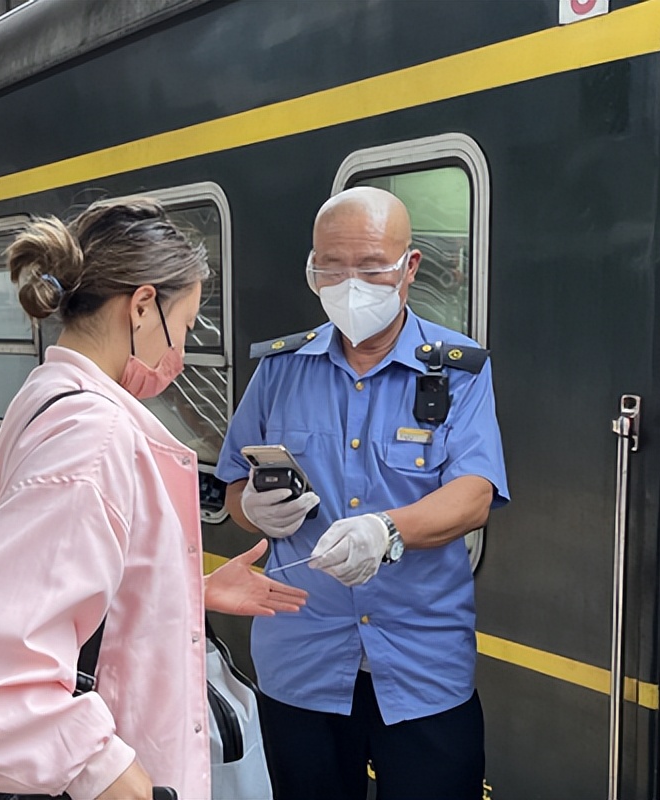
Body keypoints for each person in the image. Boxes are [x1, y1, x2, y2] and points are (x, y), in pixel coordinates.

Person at [0, 198, 308, 800]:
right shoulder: (93, 435)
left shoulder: (47, 396)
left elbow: (69, 578)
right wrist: (105, 772)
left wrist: (190, 593)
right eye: (183, 326)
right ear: (141, 307)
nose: (181, 357)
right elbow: (0, 649)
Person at [217, 187, 509, 800]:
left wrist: (387, 530)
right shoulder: (279, 370)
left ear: (410, 268)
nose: (352, 283)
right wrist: (253, 508)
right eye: (332, 266)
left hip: (423, 666)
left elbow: (474, 492)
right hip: (301, 659)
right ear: (312, 269)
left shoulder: (458, 371)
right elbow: (237, 485)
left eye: (372, 267)